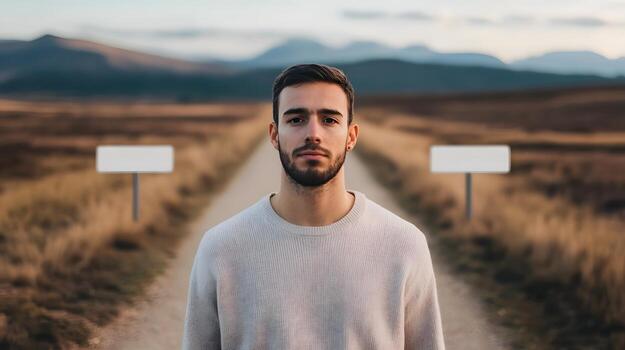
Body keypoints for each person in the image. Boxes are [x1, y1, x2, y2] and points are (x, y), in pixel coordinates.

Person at [182, 63, 445, 349]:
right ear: (274, 134)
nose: (313, 134)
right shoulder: (221, 247)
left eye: (330, 120)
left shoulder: (404, 244)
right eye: (296, 119)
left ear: (351, 136)